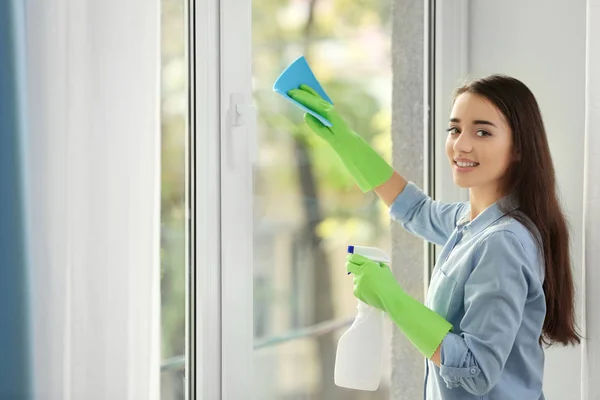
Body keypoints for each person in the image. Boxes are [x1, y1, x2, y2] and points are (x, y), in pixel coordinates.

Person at [286, 74, 580, 399]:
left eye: (482, 131)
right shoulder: (470, 222)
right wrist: (344, 139)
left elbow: (478, 369)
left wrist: (392, 299)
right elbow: (413, 209)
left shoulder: (502, 243)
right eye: (454, 130)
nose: (461, 144)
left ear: (519, 147)